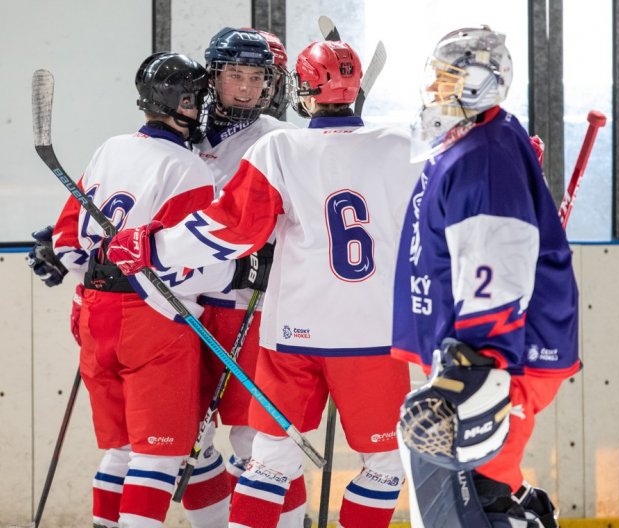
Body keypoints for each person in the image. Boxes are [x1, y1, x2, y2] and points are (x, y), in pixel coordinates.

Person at [106, 40, 423, 528]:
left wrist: (153, 247)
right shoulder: (403, 145)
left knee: (269, 459)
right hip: (372, 336)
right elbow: (457, 204)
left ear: (300, 90)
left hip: (290, 336)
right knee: (383, 467)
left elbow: (230, 227)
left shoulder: (279, 146)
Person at [42, 51, 267, 528]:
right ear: (184, 101)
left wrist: (97, 284)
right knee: (159, 457)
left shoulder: (110, 148)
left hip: (92, 315)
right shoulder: (188, 168)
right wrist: (241, 272)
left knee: (120, 451)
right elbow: (200, 272)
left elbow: (66, 242)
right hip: (153, 326)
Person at [391, 26, 579, 527]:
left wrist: (479, 368)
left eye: (450, 79)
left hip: (497, 358)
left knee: (478, 499)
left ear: (482, 84)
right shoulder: (474, 139)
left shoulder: (484, 157)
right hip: (477, 351)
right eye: (436, 78)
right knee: (473, 493)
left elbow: (496, 270)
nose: (436, 91)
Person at [192, 27, 307, 526]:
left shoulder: (280, 139)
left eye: (256, 77)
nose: (244, 87)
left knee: (254, 437)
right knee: (187, 440)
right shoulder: (182, 132)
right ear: (213, 76)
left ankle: (291, 521)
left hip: (248, 307)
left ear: (270, 84)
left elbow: (306, 219)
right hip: (186, 309)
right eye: (234, 74)